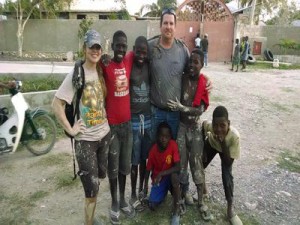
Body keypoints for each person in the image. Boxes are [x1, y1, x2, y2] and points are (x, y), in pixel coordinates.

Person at [148, 8, 212, 204]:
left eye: (171, 23)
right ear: (160, 25)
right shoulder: (151, 47)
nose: (168, 27)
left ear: (175, 27)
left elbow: (193, 71)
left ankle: (181, 192)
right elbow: (133, 61)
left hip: (176, 115)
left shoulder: (182, 50)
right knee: (157, 149)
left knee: (178, 156)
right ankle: (157, 185)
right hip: (156, 111)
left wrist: (206, 79)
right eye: (165, 23)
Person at [52, 29, 111, 225]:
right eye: (91, 47)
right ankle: (89, 222)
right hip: (85, 141)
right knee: (91, 189)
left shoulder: (101, 69)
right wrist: (70, 129)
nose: (95, 50)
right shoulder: (77, 73)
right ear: (84, 48)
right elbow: (56, 103)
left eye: (98, 47)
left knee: (99, 179)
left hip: (104, 136)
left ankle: (91, 219)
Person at [167, 48, 212, 221]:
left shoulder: (202, 83)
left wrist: (182, 108)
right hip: (181, 127)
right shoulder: (183, 78)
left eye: (196, 62)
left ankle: (201, 202)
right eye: (190, 61)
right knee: (181, 164)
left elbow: (199, 110)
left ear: (202, 65)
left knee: (197, 165)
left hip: (195, 129)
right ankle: (183, 196)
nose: (192, 64)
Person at [99, 30, 135, 225]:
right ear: (112, 46)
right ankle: (114, 201)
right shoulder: (106, 65)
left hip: (127, 127)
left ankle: (122, 199)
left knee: (124, 168)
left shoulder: (128, 61)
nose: (121, 49)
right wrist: (103, 57)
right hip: (112, 127)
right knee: (113, 169)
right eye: (118, 45)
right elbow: (89, 63)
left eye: (124, 45)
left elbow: (145, 45)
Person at [202, 106, 243, 225]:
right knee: (200, 165)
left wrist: (222, 142)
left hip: (226, 152)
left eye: (222, 125)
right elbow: (203, 127)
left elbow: (228, 162)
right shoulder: (210, 126)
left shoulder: (234, 137)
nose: (218, 129)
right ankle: (204, 191)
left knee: (227, 178)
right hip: (211, 144)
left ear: (228, 124)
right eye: (216, 125)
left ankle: (230, 209)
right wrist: (203, 150)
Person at [128, 36, 152, 212]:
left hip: (148, 119)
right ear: (133, 50)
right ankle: (133, 194)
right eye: (139, 51)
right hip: (134, 120)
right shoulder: (129, 65)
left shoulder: (149, 66)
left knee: (145, 158)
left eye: (144, 52)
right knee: (134, 160)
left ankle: (143, 189)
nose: (141, 55)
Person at [143, 122, 182, 225]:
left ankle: (176, 210)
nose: (164, 139)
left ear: (170, 137)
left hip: (170, 177)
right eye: (161, 136)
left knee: (174, 176)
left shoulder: (173, 145)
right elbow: (147, 170)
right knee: (152, 205)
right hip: (159, 180)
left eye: (166, 136)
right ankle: (162, 194)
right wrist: (145, 187)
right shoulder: (153, 150)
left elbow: (178, 167)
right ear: (157, 136)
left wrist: (162, 173)